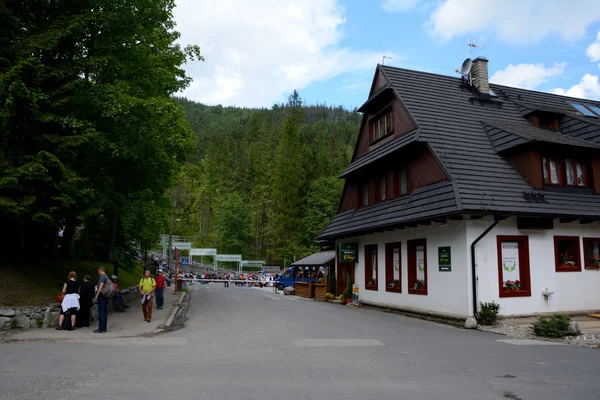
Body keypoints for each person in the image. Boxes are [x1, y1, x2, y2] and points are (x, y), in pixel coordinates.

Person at [94, 266, 108, 333]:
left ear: (100, 270)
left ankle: (100, 328)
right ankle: (104, 328)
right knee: (104, 312)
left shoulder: (102, 277)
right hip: (105, 296)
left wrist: (97, 295)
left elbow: (101, 286)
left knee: (101, 312)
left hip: (101, 295)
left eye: (98, 271)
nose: (98, 272)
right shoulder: (106, 276)